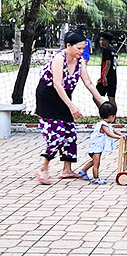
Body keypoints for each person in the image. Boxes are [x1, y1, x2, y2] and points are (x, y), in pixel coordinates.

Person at [35, 30, 106, 185]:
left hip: (64, 97)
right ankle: (44, 168)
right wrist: (71, 106)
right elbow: (57, 84)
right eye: (79, 48)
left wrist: (103, 103)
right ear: (68, 45)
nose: (81, 52)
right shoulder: (59, 59)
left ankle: (67, 170)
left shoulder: (80, 62)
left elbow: (88, 83)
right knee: (57, 136)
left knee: (70, 134)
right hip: (48, 98)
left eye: (83, 49)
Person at [77, 101, 126, 185]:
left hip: (96, 147)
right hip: (95, 148)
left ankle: (82, 171)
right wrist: (118, 137)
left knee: (93, 161)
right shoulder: (103, 125)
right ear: (111, 116)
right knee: (96, 164)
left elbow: (114, 130)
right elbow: (109, 133)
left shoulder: (107, 124)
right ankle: (96, 178)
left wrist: (121, 134)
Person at [96, 32, 118, 106]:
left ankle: (104, 112)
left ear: (106, 41)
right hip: (113, 77)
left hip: (107, 77)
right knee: (112, 99)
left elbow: (108, 63)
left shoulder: (106, 50)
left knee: (96, 96)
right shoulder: (114, 50)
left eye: (102, 40)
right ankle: (113, 116)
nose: (100, 42)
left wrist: (104, 76)